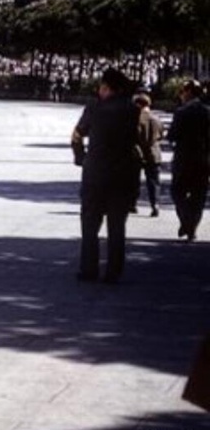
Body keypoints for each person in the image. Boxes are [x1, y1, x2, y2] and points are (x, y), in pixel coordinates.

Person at [71, 68, 140, 282]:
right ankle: (113, 271)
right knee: (117, 225)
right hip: (122, 173)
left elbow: (77, 135)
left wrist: (81, 157)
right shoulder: (132, 109)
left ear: (106, 88)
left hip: (95, 172)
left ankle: (89, 268)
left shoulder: (94, 107)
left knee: (90, 224)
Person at [168, 79, 210, 242]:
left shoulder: (181, 112)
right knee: (198, 195)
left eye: (182, 92)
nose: (181, 95)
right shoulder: (207, 111)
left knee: (177, 191)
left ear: (188, 93)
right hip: (203, 159)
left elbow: (172, 135)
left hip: (183, 157)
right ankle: (192, 226)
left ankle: (186, 219)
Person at [134, 92, 162, 218]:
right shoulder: (156, 118)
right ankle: (155, 204)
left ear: (139, 105)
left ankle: (132, 203)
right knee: (153, 181)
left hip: (138, 153)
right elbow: (161, 134)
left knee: (134, 180)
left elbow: (133, 135)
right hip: (154, 152)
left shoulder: (137, 118)